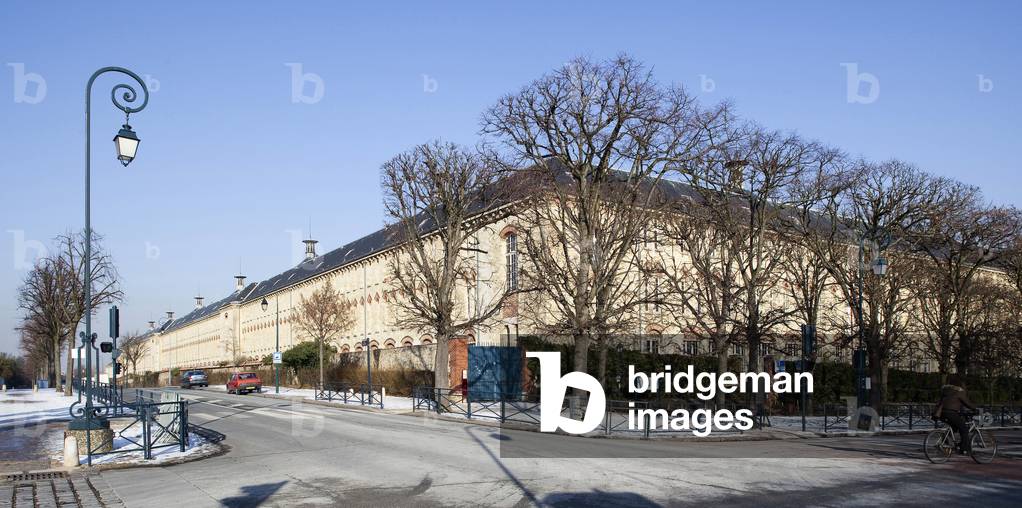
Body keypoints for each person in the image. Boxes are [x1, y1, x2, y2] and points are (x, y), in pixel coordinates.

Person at [933, 375, 977, 454]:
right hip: (951, 413)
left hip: (941, 413)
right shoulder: (959, 392)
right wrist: (975, 409)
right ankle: (964, 449)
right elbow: (967, 403)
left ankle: (946, 443)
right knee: (964, 429)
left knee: (954, 427)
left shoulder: (946, 390)